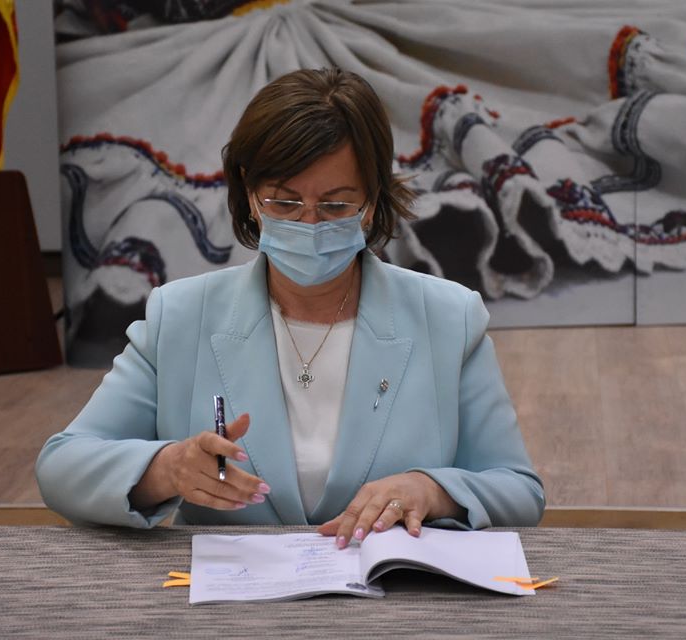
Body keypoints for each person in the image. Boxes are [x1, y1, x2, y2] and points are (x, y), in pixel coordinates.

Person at [36, 68, 544, 546]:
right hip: (232, 597)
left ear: (372, 202)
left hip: (398, 593)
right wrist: (168, 469)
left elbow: (519, 490)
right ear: (249, 195)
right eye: (284, 202)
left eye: (336, 205)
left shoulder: (448, 318)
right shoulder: (182, 317)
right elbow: (62, 466)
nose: (309, 224)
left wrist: (433, 491)